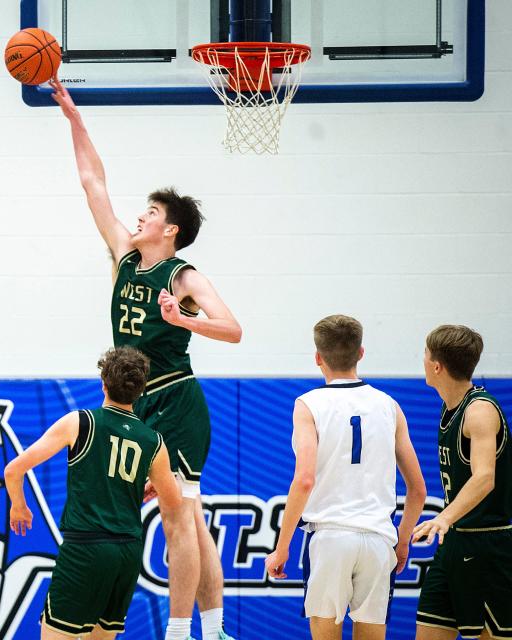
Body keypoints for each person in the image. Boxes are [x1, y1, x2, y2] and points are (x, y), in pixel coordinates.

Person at [49, 77, 242, 640]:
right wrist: (75, 119)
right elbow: (93, 184)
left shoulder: (183, 275)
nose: (139, 216)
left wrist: (186, 320)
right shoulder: (124, 256)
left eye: (151, 211)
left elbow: (232, 329)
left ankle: (185, 631)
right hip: (133, 405)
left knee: (182, 519)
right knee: (187, 520)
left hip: (177, 400)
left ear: (171, 228)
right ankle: (212, 628)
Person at [5, 346, 185, 639]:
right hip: (126, 553)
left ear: (103, 383)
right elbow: (174, 502)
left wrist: (19, 506)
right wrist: (144, 487)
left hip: (85, 548)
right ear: (140, 391)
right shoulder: (153, 441)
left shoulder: (81, 422)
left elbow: (13, 470)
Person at [264, 315, 426, 640]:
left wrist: (282, 548)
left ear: (318, 358)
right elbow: (418, 490)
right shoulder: (390, 406)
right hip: (379, 540)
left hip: (329, 539)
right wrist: (403, 540)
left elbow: (304, 479)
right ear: (361, 353)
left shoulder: (308, 404)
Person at [412, 325, 512, 640]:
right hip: (453, 543)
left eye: (426, 354)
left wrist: (443, 517)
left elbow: (484, 477)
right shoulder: (451, 406)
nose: (424, 360)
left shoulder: (479, 410)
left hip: (487, 546)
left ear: (437, 366)